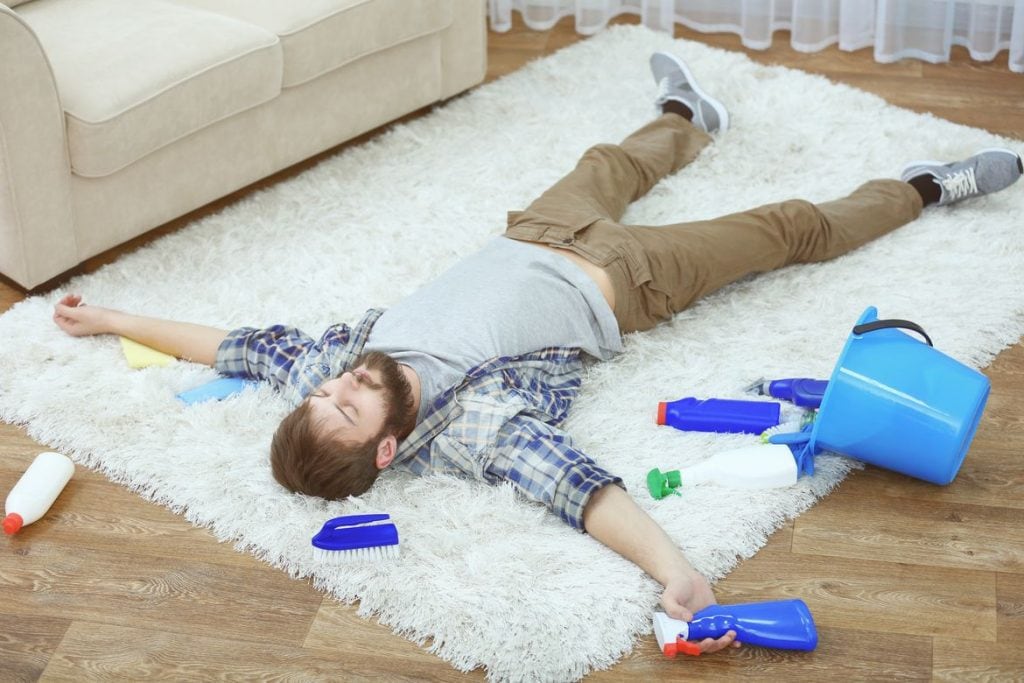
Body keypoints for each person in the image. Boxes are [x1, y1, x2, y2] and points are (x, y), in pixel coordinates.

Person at [52, 52, 1022, 655]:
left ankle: (689, 120)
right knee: (785, 226)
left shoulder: (326, 373)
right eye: (351, 405)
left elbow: (229, 342)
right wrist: (676, 571)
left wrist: (109, 318)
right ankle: (923, 186)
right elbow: (582, 488)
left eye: (332, 387)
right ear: (388, 449)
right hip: (627, 279)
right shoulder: (476, 430)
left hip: (537, 230)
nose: (345, 382)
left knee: (611, 162)